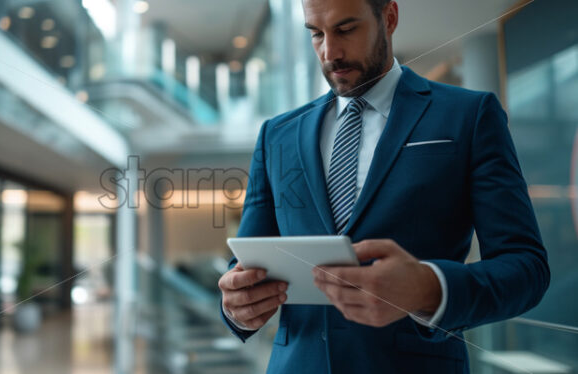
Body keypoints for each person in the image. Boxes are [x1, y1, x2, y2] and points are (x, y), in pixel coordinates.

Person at [217, 0, 550, 372]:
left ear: (388, 18)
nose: (330, 52)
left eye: (345, 29)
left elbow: (526, 268)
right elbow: (246, 264)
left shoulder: (468, 116)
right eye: (316, 34)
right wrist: (238, 307)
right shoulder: (277, 135)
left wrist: (430, 287)